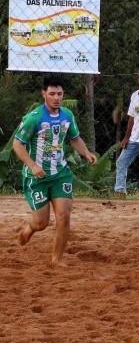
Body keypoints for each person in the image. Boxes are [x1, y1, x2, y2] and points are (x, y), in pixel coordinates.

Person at [13, 75, 97, 266]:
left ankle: (56, 259)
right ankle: (29, 229)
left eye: (59, 94)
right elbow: (18, 145)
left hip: (61, 174)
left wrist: (86, 153)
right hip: (38, 178)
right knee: (41, 223)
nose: (56, 98)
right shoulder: (33, 118)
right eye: (52, 94)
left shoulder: (67, 115)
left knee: (64, 216)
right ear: (44, 94)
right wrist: (33, 166)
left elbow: (74, 138)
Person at [114, 69, 139, 195]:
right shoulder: (135, 95)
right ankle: (119, 191)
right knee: (121, 162)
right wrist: (126, 137)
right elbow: (131, 117)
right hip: (134, 137)